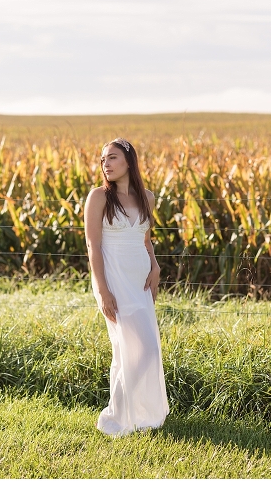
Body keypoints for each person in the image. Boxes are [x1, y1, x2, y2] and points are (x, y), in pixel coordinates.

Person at [84, 137, 169, 436]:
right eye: (103, 159)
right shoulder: (98, 197)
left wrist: (155, 265)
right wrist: (103, 290)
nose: (105, 164)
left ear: (129, 162)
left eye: (112, 158)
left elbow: (145, 239)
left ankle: (133, 414)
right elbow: (93, 246)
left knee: (139, 349)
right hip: (114, 280)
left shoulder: (148, 197)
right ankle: (117, 414)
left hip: (140, 280)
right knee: (141, 348)